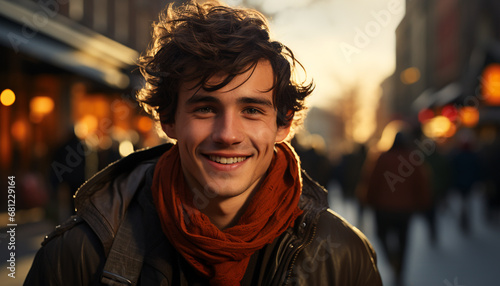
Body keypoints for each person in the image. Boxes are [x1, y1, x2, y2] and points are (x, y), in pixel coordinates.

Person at [24, 1, 382, 285]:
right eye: (206, 108)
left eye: (252, 110)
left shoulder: (343, 256)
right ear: (169, 120)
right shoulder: (77, 256)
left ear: (283, 124)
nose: (228, 134)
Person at [358, 130, 431, 286]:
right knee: (403, 240)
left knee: (381, 234)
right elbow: (421, 183)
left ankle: (392, 259)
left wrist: (368, 200)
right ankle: (400, 271)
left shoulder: (382, 158)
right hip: (405, 210)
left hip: (382, 208)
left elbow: (372, 181)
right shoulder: (413, 159)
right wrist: (423, 203)